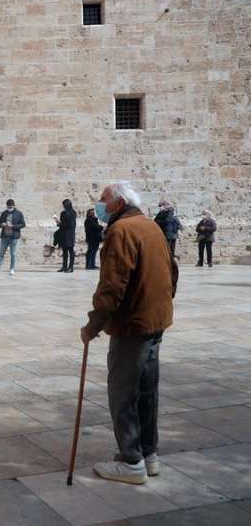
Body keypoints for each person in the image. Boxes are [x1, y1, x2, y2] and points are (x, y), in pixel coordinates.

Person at [81, 181, 178, 485]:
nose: (100, 204)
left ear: (119, 203)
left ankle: (131, 461)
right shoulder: (150, 226)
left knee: (122, 393)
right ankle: (148, 455)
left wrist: (93, 325)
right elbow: (173, 271)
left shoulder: (120, 231)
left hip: (132, 325)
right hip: (154, 322)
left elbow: (112, 286)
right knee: (147, 391)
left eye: (103, 200)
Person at [0, 199, 25, 276]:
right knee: (1, 253)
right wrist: (2, 224)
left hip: (14, 237)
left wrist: (13, 226)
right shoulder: (4, 213)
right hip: (4, 236)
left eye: (10, 206)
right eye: (8, 206)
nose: (9, 208)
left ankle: (12, 269)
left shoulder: (19, 213)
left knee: (13, 254)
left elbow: (23, 224)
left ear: (14, 206)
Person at [57, 199, 77, 272]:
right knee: (64, 251)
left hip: (69, 234)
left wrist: (62, 224)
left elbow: (71, 225)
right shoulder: (63, 213)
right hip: (63, 234)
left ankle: (71, 267)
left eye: (64, 205)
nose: (64, 207)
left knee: (71, 251)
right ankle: (64, 267)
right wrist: (59, 223)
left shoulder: (73, 213)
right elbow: (62, 223)